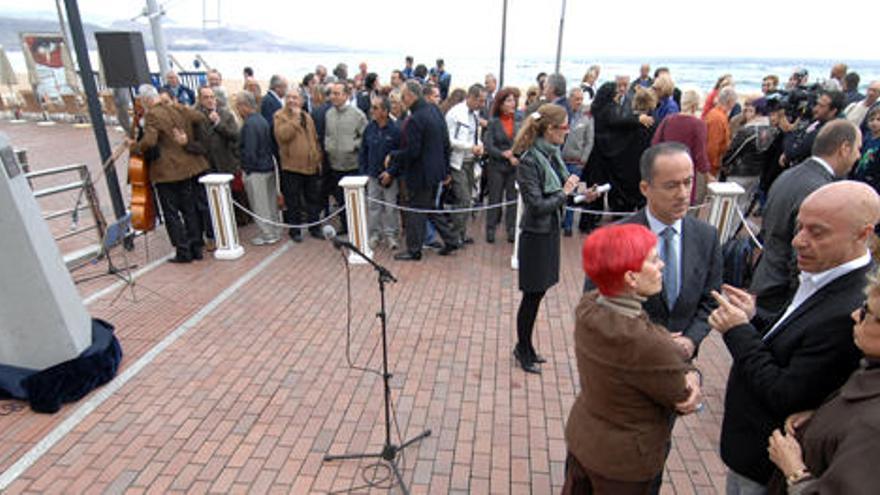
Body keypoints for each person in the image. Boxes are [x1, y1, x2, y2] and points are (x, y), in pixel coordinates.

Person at [711, 180, 877, 493]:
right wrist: (756, 320)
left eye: (818, 232)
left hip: (767, 465)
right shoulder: (823, 270)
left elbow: (785, 392)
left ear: (863, 234)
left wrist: (738, 331)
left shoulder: (852, 309)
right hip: (751, 452)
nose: (799, 241)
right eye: (800, 227)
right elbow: (794, 340)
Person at [563, 223, 701, 494]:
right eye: (653, 260)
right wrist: (692, 374)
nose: (662, 265)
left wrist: (661, 347)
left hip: (583, 440)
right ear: (631, 279)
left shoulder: (588, 307)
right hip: (624, 465)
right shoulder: (651, 346)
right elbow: (681, 398)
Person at [767, 262, 880, 495]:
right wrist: (823, 416)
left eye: (868, 313)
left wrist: (795, 471)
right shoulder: (870, 371)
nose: (855, 315)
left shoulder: (873, 428)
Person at [750, 120, 863, 316]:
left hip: (766, 278)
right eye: (857, 149)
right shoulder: (820, 190)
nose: (858, 156)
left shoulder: (789, 175)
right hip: (782, 291)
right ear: (844, 148)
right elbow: (803, 254)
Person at [511, 104, 580, 373]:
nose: (567, 131)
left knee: (538, 294)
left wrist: (584, 192)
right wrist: (565, 192)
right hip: (535, 235)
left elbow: (560, 193)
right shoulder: (530, 160)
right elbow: (537, 204)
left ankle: (526, 346)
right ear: (549, 129)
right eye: (564, 127)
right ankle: (522, 348)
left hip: (548, 231)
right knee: (532, 295)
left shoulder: (551, 155)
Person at [130, 84, 209, 263]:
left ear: (145, 100)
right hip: (186, 168)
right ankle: (196, 247)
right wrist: (179, 106)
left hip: (167, 172)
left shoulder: (152, 114)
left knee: (171, 213)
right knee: (190, 210)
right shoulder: (176, 108)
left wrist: (134, 146)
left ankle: (183, 251)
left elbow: (149, 142)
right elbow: (199, 116)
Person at [383, 80, 461, 261]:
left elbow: (412, 151)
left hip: (421, 173)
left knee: (416, 211)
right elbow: (445, 143)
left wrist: (393, 155)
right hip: (436, 171)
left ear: (411, 96)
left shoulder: (414, 119)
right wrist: (445, 170)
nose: (401, 101)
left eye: (403, 97)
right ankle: (451, 240)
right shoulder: (434, 110)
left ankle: (414, 250)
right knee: (430, 208)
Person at [275, 91, 323, 242]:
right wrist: (294, 120)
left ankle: (314, 227)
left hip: (310, 165)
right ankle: (295, 231)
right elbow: (282, 136)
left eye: (295, 98)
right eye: (288, 97)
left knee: (313, 199)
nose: (291, 101)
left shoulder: (307, 116)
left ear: (301, 100)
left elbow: (314, 138)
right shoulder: (280, 116)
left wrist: (318, 158)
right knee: (293, 200)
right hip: (292, 167)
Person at [235, 91, 281, 245]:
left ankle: (267, 233)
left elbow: (250, 151)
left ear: (245, 106)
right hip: (267, 166)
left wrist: (246, 169)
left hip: (256, 170)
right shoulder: (261, 120)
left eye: (238, 106)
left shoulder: (249, 124)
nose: (237, 109)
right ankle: (275, 230)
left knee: (260, 204)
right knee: (270, 202)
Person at [651, 89, 711, 204]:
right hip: (685, 171)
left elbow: (655, 143)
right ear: (695, 105)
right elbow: (700, 155)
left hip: (666, 167)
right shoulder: (698, 124)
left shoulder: (668, 120)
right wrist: (707, 175)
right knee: (683, 203)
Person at [325, 82, 368, 234]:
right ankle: (345, 226)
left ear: (346, 95)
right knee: (340, 199)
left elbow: (365, 137)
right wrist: (328, 145)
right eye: (331, 93)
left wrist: (352, 145)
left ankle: (358, 227)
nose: (333, 97)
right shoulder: (329, 114)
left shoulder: (358, 115)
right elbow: (328, 134)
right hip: (335, 164)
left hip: (352, 165)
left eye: (337, 94)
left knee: (354, 200)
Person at [359, 94, 402, 250]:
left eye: (375, 108)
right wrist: (363, 173)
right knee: (373, 206)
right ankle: (374, 234)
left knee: (391, 207)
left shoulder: (396, 129)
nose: (372, 111)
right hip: (372, 175)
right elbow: (363, 151)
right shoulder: (369, 128)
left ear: (385, 111)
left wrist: (390, 172)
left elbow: (400, 154)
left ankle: (391, 235)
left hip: (390, 177)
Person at [446, 84, 486, 245]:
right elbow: (449, 140)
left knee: (468, 198)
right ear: (472, 97)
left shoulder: (474, 114)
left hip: (471, 162)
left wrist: (480, 145)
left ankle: (461, 233)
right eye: (481, 101)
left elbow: (474, 136)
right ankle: (454, 236)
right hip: (458, 163)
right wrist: (470, 147)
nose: (482, 105)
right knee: (462, 198)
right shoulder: (455, 113)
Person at [483, 87, 522, 244]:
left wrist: (516, 155)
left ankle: (511, 229)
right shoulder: (493, 122)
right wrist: (502, 154)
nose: (512, 104)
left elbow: (524, 142)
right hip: (496, 166)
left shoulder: (519, 121)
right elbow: (489, 145)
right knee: (495, 198)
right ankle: (491, 228)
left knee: (512, 199)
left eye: (514, 101)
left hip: (513, 167)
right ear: (501, 104)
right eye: (509, 101)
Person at [781, 90, 845, 168]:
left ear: (833, 111)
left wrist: (788, 132)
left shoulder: (827, 132)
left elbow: (794, 152)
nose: (815, 109)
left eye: (821, 106)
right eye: (817, 104)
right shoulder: (818, 121)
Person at [561, 87, 595, 236]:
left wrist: (583, 160)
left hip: (576, 163)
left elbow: (589, 141)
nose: (579, 102)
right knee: (558, 192)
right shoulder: (563, 115)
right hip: (561, 160)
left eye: (581, 99)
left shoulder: (587, 118)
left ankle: (568, 225)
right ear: (570, 99)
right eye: (576, 99)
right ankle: (559, 220)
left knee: (573, 193)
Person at [705, 86, 737, 177]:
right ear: (730, 102)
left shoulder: (718, 115)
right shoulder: (718, 118)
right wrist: (714, 167)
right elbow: (712, 146)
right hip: (713, 167)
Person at [853, 107, 880, 197]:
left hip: (871, 181)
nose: (874, 122)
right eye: (872, 119)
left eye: (878, 120)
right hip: (858, 175)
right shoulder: (866, 137)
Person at [261, 75, 288, 164]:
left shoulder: (274, 100)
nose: (286, 90)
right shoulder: (269, 101)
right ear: (277, 87)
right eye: (285, 87)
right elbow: (271, 124)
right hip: (273, 145)